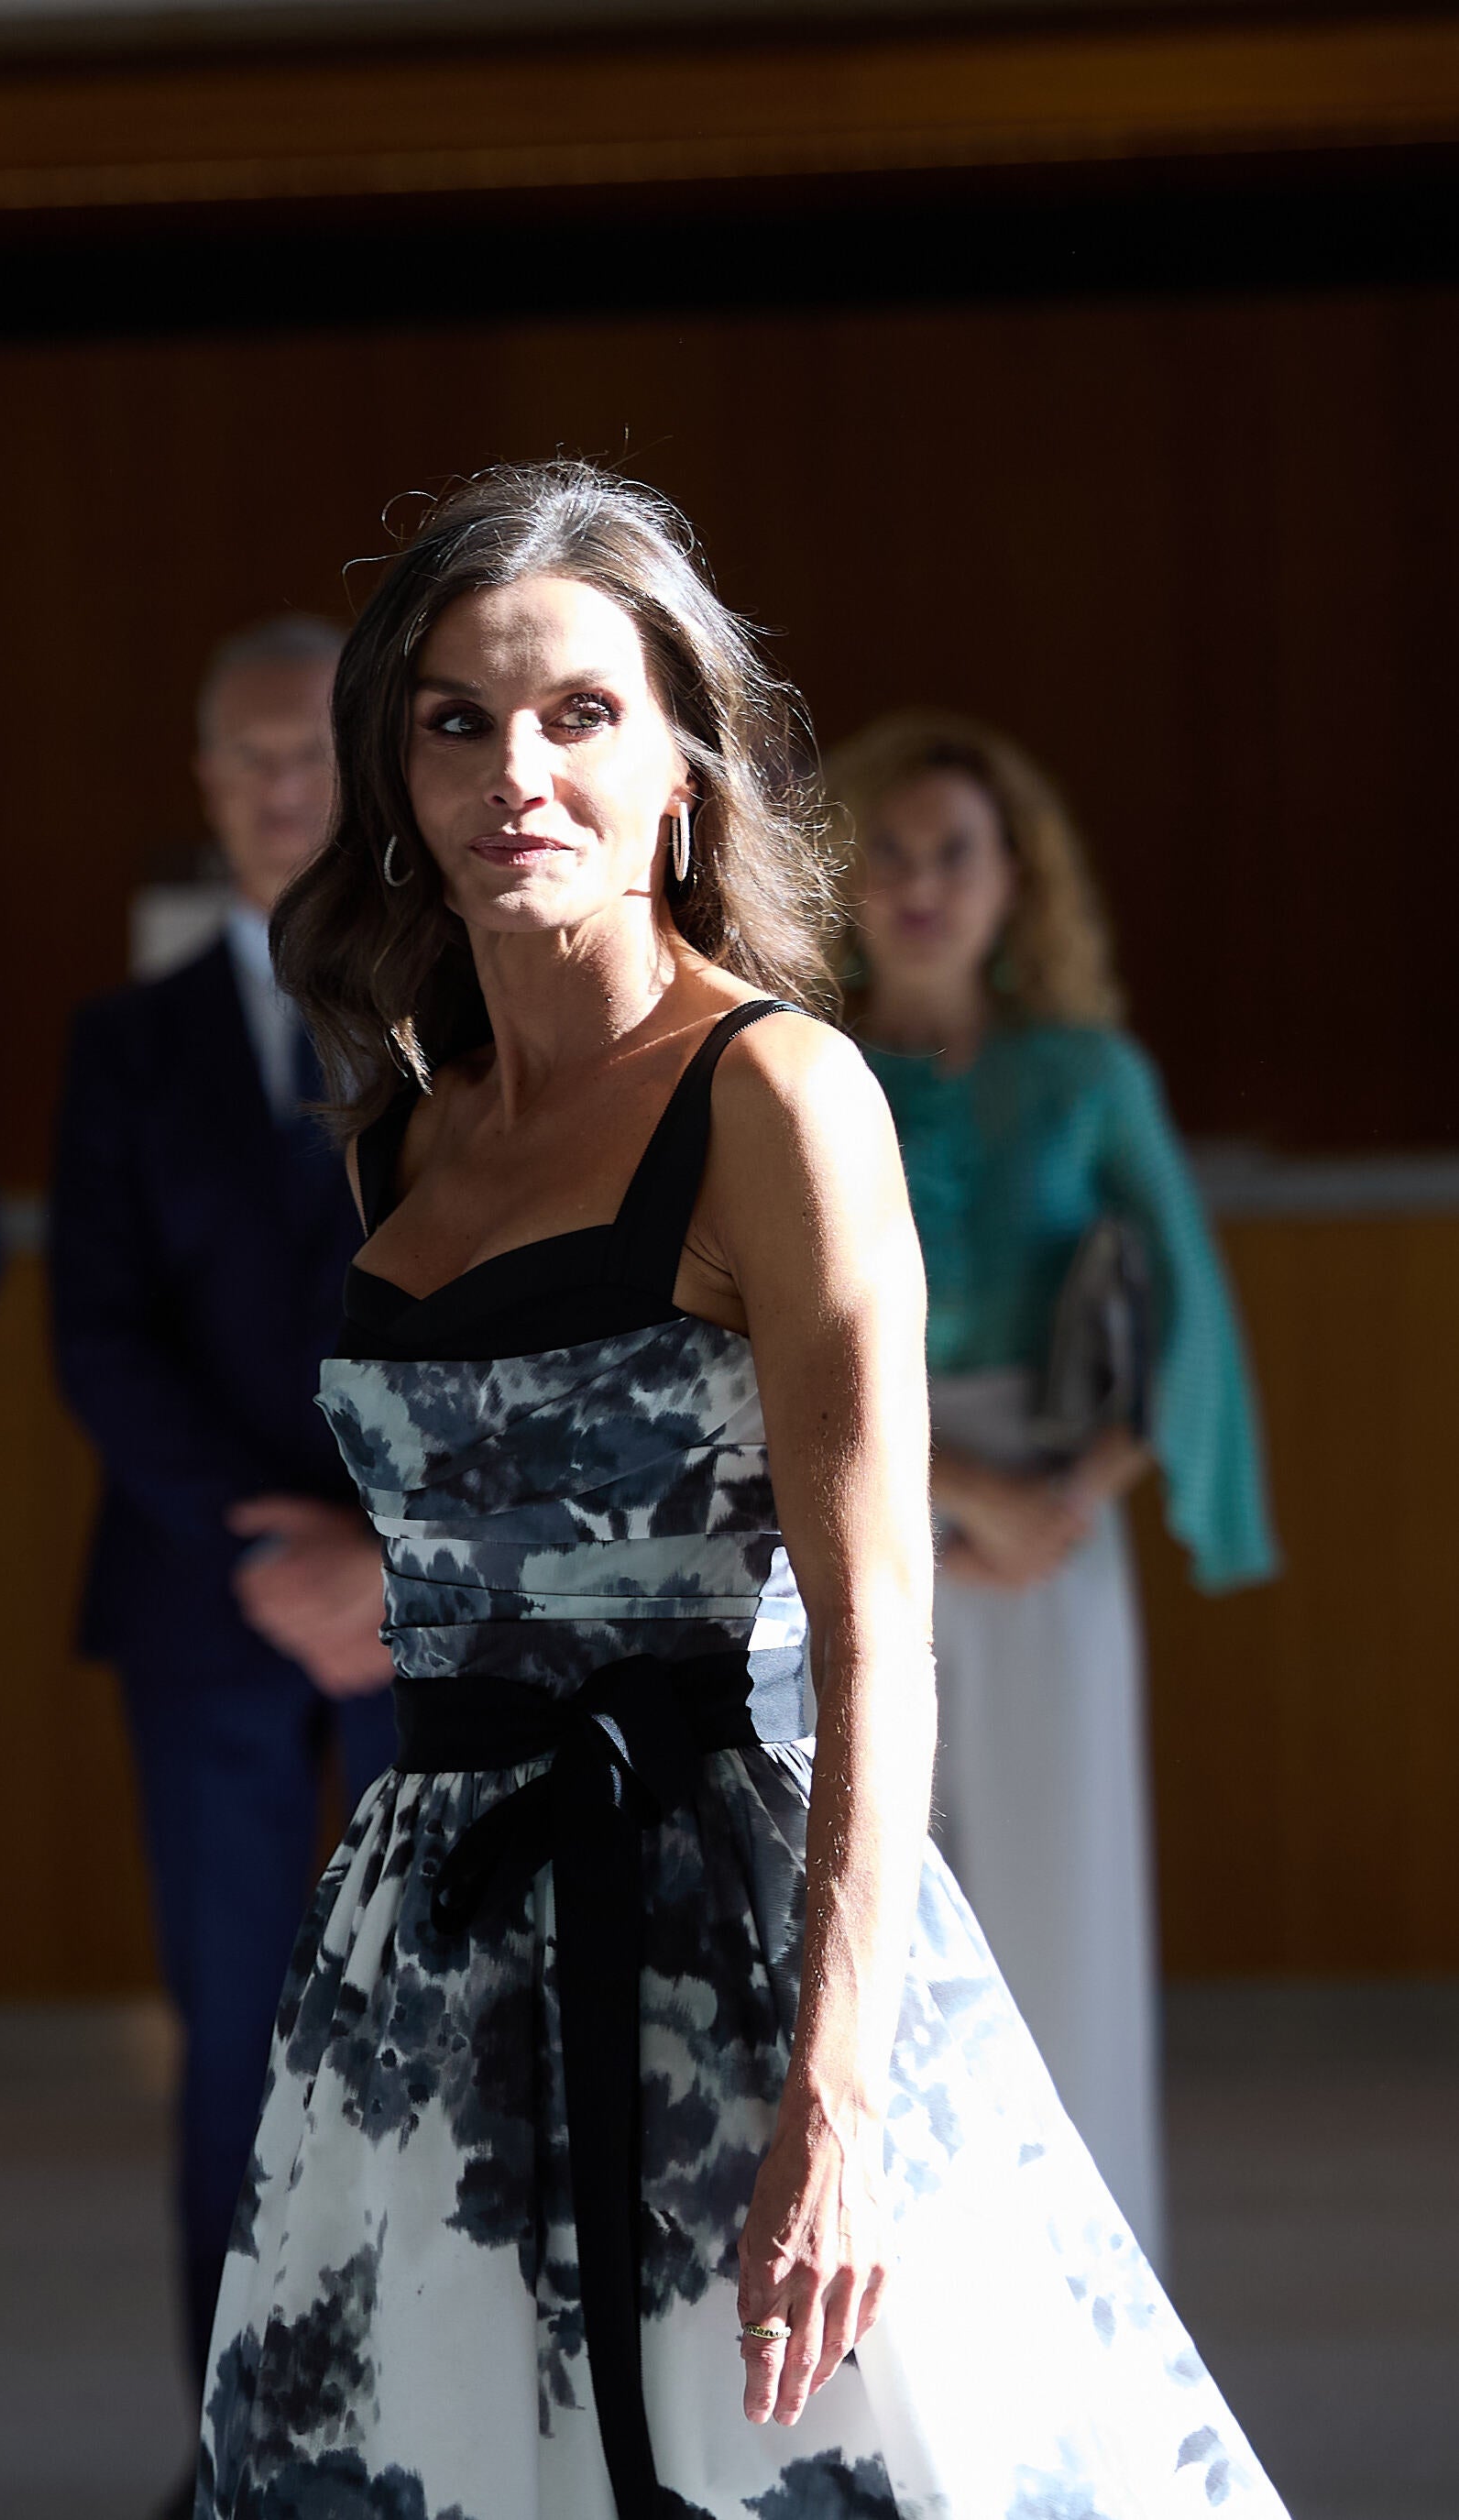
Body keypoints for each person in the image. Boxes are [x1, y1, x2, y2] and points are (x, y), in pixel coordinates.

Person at [203, 462, 1280, 2514]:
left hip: (726, 1929)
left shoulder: (775, 1092)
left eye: (579, 714)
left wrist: (840, 2092)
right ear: (394, 778)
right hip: (425, 1948)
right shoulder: (395, 1143)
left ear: (683, 773)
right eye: (455, 721)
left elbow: (879, 1632)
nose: (516, 770)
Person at [823, 710, 1277, 2261]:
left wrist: (1067, 1489)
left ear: (1017, 876)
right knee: (861, 1931)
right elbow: (748, 1327)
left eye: (953, 849)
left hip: (1053, 1536)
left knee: (1060, 1912)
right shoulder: (788, 1072)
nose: (918, 881)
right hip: (837, 1516)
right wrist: (944, 1491)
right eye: (884, 848)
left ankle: (1079, 2295)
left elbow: (1188, 1319)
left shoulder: (1087, 1072)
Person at [44, 613, 396, 2513]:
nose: (281, 788)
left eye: (311, 752)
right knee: (240, 2054)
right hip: (210, 1601)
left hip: (442, 1600)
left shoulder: (488, 1012)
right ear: (204, 786)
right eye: (245, 756)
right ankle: (243, 2446)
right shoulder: (132, 1041)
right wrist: (267, 1540)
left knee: (446, 2033)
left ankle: (435, 2428)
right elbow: (94, 1332)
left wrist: (385, 1545)